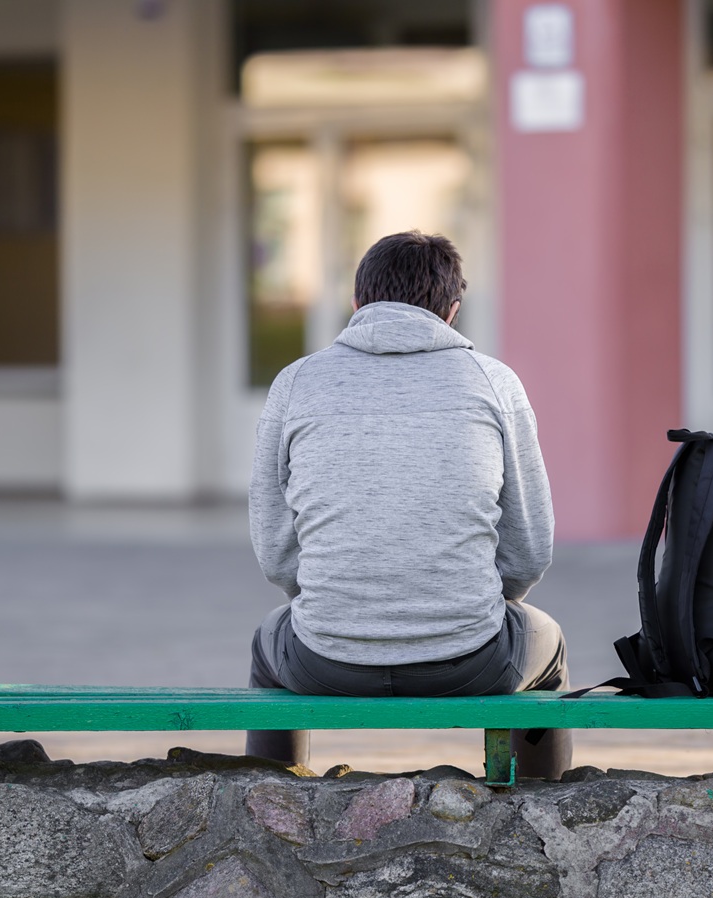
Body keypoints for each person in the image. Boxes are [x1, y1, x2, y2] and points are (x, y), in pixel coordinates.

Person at [245, 230, 571, 779]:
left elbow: (276, 551)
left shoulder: (296, 382)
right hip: (472, 660)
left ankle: (273, 803)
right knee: (549, 643)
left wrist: (341, 606)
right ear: (453, 310)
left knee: (267, 642)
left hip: (324, 661)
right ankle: (540, 806)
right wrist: (471, 606)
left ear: (357, 303)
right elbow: (530, 550)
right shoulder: (493, 383)